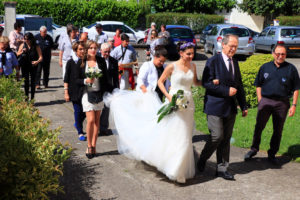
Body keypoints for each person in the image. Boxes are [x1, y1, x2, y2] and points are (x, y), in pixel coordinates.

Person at [104, 42, 201, 183]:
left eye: (193, 54)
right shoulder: (168, 66)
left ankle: (182, 167)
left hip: (187, 103)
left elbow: (195, 82)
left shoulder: (192, 66)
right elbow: (151, 82)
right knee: (174, 133)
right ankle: (175, 168)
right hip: (156, 98)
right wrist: (169, 96)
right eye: (188, 54)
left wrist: (209, 83)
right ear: (181, 53)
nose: (191, 56)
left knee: (185, 135)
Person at [197, 34, 248, 181]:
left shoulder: (235, 63)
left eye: (236, 46)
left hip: (230, 107)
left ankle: (222, 168)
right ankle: (203, 158)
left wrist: (243, 105)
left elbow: (239, 85)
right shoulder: (212, 61)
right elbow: (207, 84)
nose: (233, 49)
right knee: (217, 136)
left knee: (225, 139)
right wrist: (226, 91)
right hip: (214, 106)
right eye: (231, 45)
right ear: (223, 45)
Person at [244, 44, 300, 164]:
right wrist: (260, 99)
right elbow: (258, 84)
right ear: (273, 53)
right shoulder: (265, 67)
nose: (280, 56)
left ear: (286, 55)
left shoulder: (291, 69)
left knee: (278, 130)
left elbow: (296, 88)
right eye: (278, 54)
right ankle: (254, 149)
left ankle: (272, 154)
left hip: (282, 103)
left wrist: (293, 105)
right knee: (259, 127)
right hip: (266, 101)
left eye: (283, 54)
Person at [80, 40, 108, 158]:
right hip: (87, 93)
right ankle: (88, 146)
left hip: (99, 93)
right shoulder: (82, 62)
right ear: (87, 49)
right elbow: (76, 79)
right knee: (90, 120)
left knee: (97, 121)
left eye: (95, 48)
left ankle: (94, 145)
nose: (93, 50)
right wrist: (86, 81)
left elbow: (105, 78)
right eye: (91, 48)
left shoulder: (101, 61)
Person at [64, 41, 87, 141]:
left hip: (85, 90)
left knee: (85, 112)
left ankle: (77, 123)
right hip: (74, 91)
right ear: (75, 50)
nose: (83, 51)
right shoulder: (71, 62)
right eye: (80, 49)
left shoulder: (87, 61)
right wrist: (66, 92)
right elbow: (66, 78)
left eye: (84, 49)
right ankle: (80, 132)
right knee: (77, 111)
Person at [99, 42, 119, 135]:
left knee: (106, 108)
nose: (107, 54)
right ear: (101, 51)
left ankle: (103, 128)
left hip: (108, 88)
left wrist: (116, 90)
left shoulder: (114, 61)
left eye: (108, 52)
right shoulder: (97, 60)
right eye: (105, 52)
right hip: (98, 88)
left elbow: (115, 78)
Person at [17, 32, 43, 100]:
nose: (26, 41)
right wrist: (22, 51)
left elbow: (41, 57)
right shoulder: (23, 45)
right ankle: (26, 98)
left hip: (33, 65)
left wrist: (37, 61)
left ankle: (32, 98)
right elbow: (17, 54)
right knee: (26, 82)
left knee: (33, 82)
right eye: (25, 39)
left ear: (31, 39)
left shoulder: (36, 46)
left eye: (28, 39)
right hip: (25, 65)